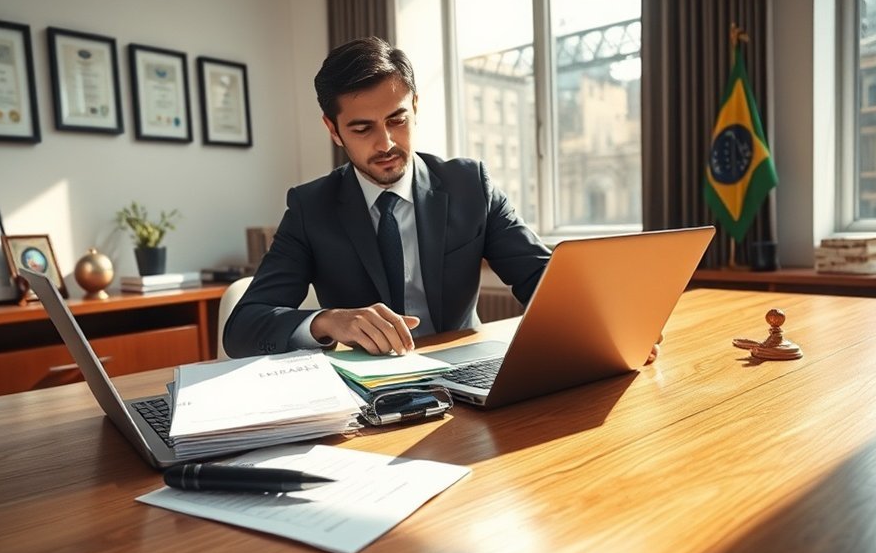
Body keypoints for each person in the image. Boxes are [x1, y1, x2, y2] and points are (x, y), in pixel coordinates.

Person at [223, 36, 657, 363]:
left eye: (397, 119)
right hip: (368, 394)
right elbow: (243, 327)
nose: (386, 142)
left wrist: (609, 326)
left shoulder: (471, 185)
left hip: (465, 370)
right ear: (332, 130)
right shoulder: (311, 208)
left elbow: (539, 276)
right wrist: (328, 320)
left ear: (415, 105)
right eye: (362, 128)